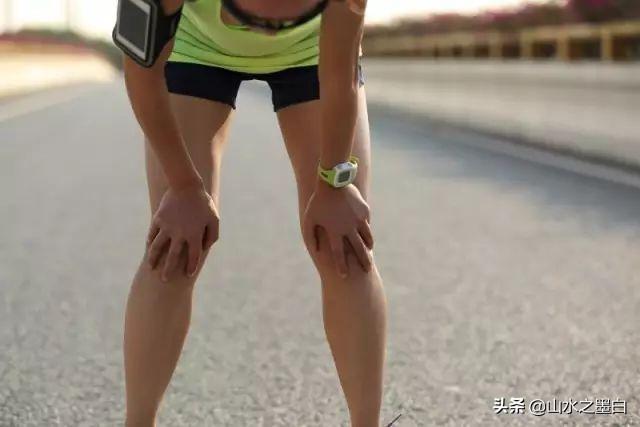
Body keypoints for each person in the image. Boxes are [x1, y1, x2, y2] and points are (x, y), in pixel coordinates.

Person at [119, 0, 388, 425]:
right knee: (175, 246)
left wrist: (334, 185)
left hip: (312, 53)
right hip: (197, 47)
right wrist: (184, 186)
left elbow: (340, 78)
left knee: (345, 246)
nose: (266, 34)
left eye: (283, 20)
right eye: (255, 20)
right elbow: (141, 74)